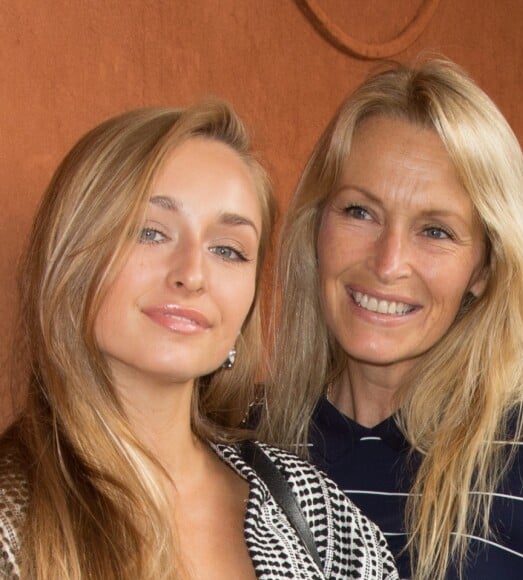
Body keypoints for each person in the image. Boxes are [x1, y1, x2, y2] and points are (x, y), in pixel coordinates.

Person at [0, 101, 399, 579]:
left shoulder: (319, 516)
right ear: (72, 257)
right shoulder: (12, 518)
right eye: (150, 232)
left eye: (228, 249)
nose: (192, 274)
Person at [260, 60, 523, 580]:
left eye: (435, 231)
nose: (388, 263)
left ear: (484, 267)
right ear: (316, 227)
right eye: (359, 212)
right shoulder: (241, 451)